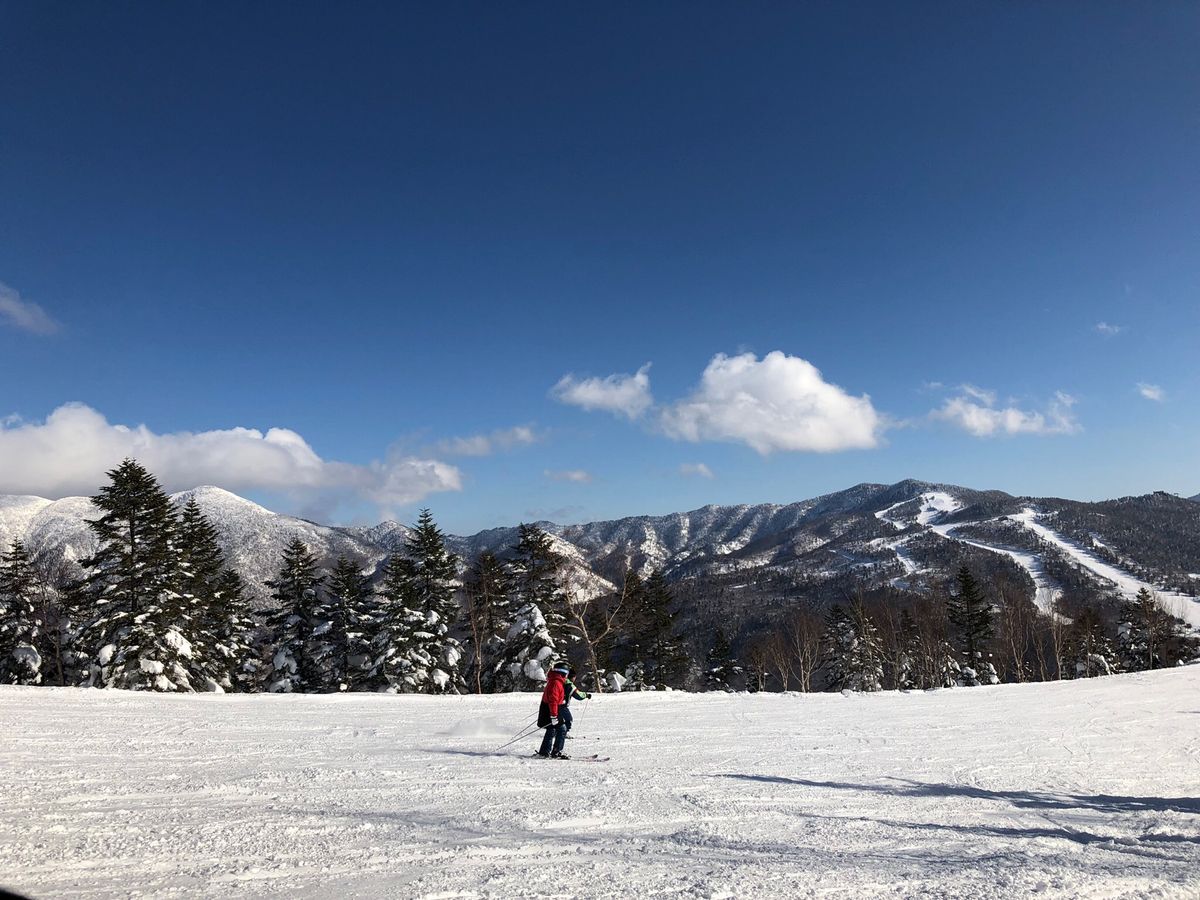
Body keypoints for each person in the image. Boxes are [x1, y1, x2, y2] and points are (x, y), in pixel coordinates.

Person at [536, 663, 570, 759]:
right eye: (566, 673)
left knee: (551, 729)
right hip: (551, 710)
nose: (567, 675)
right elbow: (553, 701)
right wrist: (554, 716)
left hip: (548, 709)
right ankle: (557, 751)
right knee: (562, 729)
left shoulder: (555, 680)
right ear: (562, 672)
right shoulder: (556, 682)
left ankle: (544, 752)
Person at [560, 666, 590, 739]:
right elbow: (578, 695)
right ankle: (563, 733)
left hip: (554, 704)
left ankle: (556, 731)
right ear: (573, 677)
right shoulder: (570, 686)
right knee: (568, 719)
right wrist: (586, 695)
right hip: (562, 705)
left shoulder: (561, 682)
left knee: (559, 719)